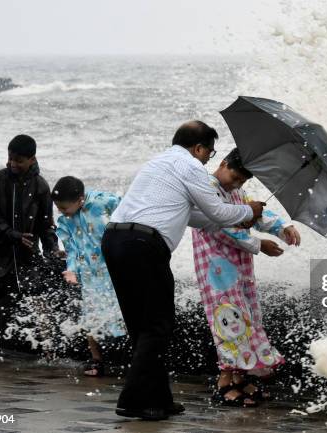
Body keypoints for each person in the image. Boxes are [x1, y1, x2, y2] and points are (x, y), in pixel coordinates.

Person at [101, 121, 265, 421]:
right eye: (209, 153)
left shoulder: (159, 162)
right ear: (199, 148)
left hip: (115, 239)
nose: (208, 160)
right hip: (143, 245)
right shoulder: (190, 166)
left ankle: (159, 400)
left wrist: (237, 219)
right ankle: (132, 400)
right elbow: (217, 210)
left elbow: (196, 216)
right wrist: (249, 211)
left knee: (144, 328)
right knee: (158, 326)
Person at [191, 148, 301, 407]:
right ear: (223, 163)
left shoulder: (236, 192)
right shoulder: (206, 189)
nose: (238, 183)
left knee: (247, 319)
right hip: (216, 270)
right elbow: (220, 228)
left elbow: (256, 213)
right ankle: (224, 384)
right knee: (228, 322)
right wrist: (259, 244)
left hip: (239, 270)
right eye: (236, 177)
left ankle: (240, 380)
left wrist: (283, 227)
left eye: (243, 181)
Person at [0, 134, 60, 358]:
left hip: (26, 254)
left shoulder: (41, 186)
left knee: (39, 300)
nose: (12, 164)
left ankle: (48, 348)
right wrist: (12, 234)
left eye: (18, 160)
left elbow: (46, 225)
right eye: (10, 158)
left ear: (32, 159)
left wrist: (52, 251)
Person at [52, 176, 126, 377]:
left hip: (114, 269)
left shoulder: (103, 202)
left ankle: (135, 357)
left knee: (124, 312)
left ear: (80, 200)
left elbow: (128, 213)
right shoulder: (66, 222)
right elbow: (71, 250)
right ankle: (96, 359)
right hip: (90, 274)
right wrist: (72, 270)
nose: (61, 212)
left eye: (64, 208)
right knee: (90, 315)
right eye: (58, 208)